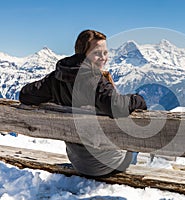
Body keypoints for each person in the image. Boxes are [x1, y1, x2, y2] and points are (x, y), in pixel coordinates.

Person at [19, 29, 147, 177]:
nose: (103, 58)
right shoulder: (94, 79)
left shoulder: (56, 78)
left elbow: (25, 95)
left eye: (105, 53)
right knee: (132, 144)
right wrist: (138, 100)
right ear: (82, 54)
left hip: (78, 161)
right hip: (106, 165)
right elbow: (116, 106)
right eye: (97, 53)